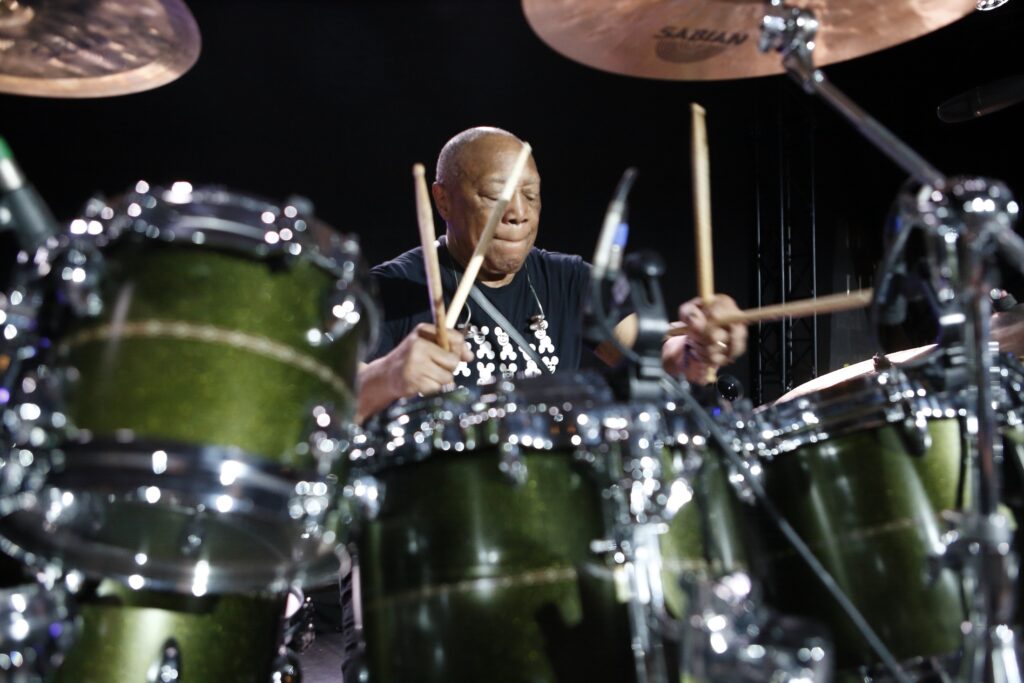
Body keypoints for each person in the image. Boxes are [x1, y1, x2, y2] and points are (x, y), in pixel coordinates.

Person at [355, 126, 748, 422]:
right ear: (442, 200)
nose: (518, 213)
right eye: (496, 196)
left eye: (531, 195)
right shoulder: (388, 290)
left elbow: (652, 355)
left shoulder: (569, 280)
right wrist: (386, 376)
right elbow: (323, 412)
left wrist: (698, 347)